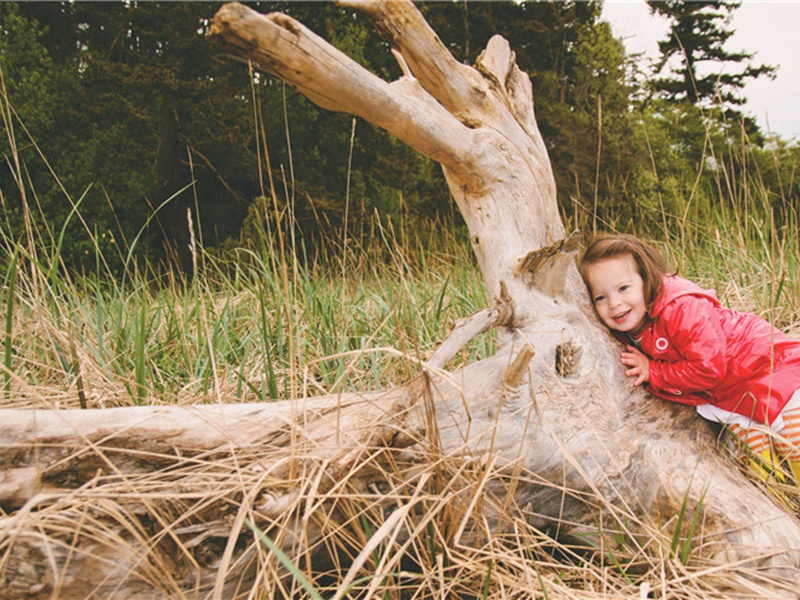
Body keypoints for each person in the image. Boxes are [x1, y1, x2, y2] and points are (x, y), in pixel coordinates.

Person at [578, 233, 800, 482]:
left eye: (623, 288)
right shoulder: (627, 328)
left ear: (647, 279)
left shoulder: (680, 308)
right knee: (757, 466)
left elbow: (709, 367)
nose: (614, 303)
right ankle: (783, 504)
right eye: (600, 297)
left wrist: (654, 372)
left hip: (770, 366)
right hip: (733, 396)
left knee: (794, 442)